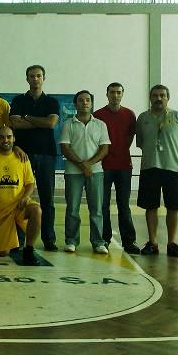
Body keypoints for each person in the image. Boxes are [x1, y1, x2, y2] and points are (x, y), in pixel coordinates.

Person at [136, 84, 178, 258]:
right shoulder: (143, 118)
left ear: (168, 98)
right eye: (155, 95)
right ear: (150, 98)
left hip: (173, 168)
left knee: (173, 207)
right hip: (150, 167)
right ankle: (152, 243)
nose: (158, 98)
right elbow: (141, 142)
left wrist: (171, 154)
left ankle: (172, 243)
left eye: (162, 95)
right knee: (150, 206)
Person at [9, 65, 60, 251]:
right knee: (20, 197)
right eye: (32, 76)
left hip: (47, 155)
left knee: (48, 201)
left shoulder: (52, 102)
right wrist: (40, 122)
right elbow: (15, 123)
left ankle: (49, 239)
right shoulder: (18, 100)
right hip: (23, 155)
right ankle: (18, 238)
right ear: (27, 78)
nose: (35, 79)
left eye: (38, 76)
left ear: (43, 78)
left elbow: (51, 123)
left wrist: (27, 117)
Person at [0, 126, 41, 265]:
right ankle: (4, 238)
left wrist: (25, 197)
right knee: (3, 253)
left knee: (36, 210)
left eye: (8, 137)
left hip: (19, 205)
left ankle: (29, 250)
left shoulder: (22, 158)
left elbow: (30, 183)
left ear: (14, 139)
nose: (5, 140)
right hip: (0, 212)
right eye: (2, 137)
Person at [59, 90, 110, 254]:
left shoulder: (101, 125)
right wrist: (82, 165)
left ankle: (98, 242)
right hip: (73, 173)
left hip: (96, 172)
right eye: (81, 100)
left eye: (88, 100)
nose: (84, 103)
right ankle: (71, 240)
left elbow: (104, 148)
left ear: (92, 103)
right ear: (75, 104)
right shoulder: (68, 124)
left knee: (96, 209)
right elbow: (65, 148)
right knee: (72, 208)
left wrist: (89, 164)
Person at [94, 82, 139, 254]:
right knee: (103, 205)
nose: (115, 95)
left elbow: (130, 138)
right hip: (103, 166)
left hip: (124, 166)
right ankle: (104, 240)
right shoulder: (98, 115)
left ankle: (129, 241)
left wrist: (120, 151)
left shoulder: (129, 114)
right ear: (107, 94)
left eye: (118, 92)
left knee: (124, 205)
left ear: (122, 94)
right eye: (112, 92)